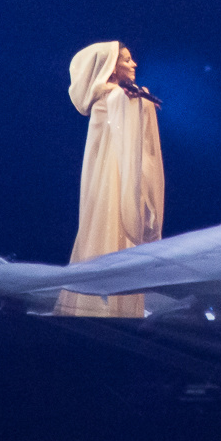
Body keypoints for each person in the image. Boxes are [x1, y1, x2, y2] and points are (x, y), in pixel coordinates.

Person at [57, 42, 165, 320]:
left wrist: (140, 102)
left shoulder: (121, 97)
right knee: (104, 225)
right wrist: (138, 102)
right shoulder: (109, 99)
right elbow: (117, 137)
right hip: (109, 179)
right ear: (112, 69)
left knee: (120, 232)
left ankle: (120, 308)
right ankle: (96, 308)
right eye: (127, 60)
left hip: (122, 176)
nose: (134, 64)